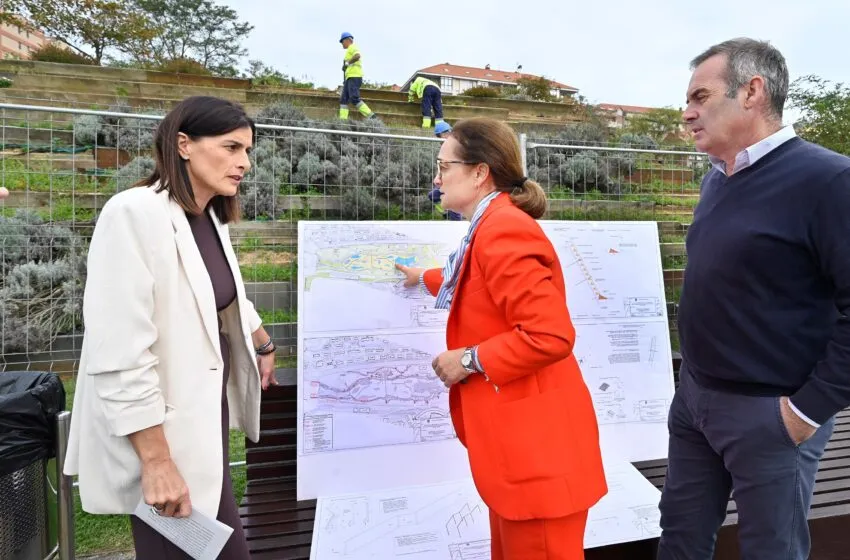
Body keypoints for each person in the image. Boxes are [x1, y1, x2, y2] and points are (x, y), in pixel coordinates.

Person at [658, 38, 850, 560]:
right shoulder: (716, 179)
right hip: (696, 399)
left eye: (700, 95)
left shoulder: (830, 180)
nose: (687, 111)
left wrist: (806, 412)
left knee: (772, 550)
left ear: (752, 91)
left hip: (771, 413)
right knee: (679, 537)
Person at [64, 96, 278, 560]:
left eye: (248, 151)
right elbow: (119, 352)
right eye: (231, 147)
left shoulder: (206, 216)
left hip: (202, 427)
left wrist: (262, 340)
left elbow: (221, 295)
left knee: (217, 548)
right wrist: (156, 461)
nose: (244, 163)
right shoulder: (134, 213)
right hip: (160, 437)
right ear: (184, 144)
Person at [395, 117, 607, 559]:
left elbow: (549, 335)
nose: (436, 178)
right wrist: (425, 276)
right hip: (521, 457)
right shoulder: (490, 225)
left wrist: (467, 360)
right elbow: (473, 281)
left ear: (479, 172)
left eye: (444, 166)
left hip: (538, 459)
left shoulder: (503, 230)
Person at [338, 32, 376, 121]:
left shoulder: (352, 47)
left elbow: (357, 56)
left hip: (355, 76)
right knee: (344, 100)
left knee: (354, 98)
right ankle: (342, 122)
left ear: (348, 40)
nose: (342, 43)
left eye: (342, 41)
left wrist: (347, 63)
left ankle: (372, 117)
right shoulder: (348, 51)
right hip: (350, 78)